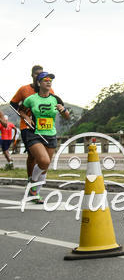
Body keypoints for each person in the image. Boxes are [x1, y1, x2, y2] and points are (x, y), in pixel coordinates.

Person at [17, 71, 70, 203]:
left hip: (51, 135)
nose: (48, 81)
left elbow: (67, 116)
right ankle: (32, 183)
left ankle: (35, 194)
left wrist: (63, 111)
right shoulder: (31, 99)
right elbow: (21, 110)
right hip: (34, 134)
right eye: (45, 79)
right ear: (39, 83)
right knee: (44, 161)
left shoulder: (55, 99)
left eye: (50, 80)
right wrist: (27, 117)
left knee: (44, 167)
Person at [10, 64, 65, 186]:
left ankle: (34, 185)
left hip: (46, 129)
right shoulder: (24, 89)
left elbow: (53, 105)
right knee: (32, 155)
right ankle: (31, 179)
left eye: (41, 73)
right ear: (32, 75)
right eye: (36, 73)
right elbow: (13, 105)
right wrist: (26, 117)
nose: (39, 75)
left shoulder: (50, 91)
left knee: (43, 160)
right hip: (28, 127)